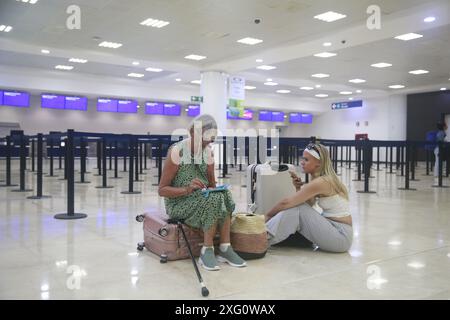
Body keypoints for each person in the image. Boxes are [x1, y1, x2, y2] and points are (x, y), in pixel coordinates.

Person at [158, 114, 246, 271]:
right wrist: (187, 189)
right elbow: (162, 190)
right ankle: (207, 249)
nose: (206, 145)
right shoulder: (177, 152)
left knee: (224, 195)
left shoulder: (208, 152)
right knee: (213, 200)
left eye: (210, 141)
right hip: (179, 202)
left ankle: (225, 247)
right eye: (203, 140)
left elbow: (212, 185)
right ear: (192, 132)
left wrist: (215, 185)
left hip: (201, 198)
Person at [265, 143, 353, 253]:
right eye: (303, 158)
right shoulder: (322, 179)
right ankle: (264, 235)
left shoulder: (322, 182)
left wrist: (267, 215)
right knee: (298, 208)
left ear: (319, 163)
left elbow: (286, 203)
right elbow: (309, 204)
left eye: (306, 160)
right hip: (336, 230)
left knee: (297, 209)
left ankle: (260, 239)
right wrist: (298, 188)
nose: (302, 162)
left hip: (341, 236)